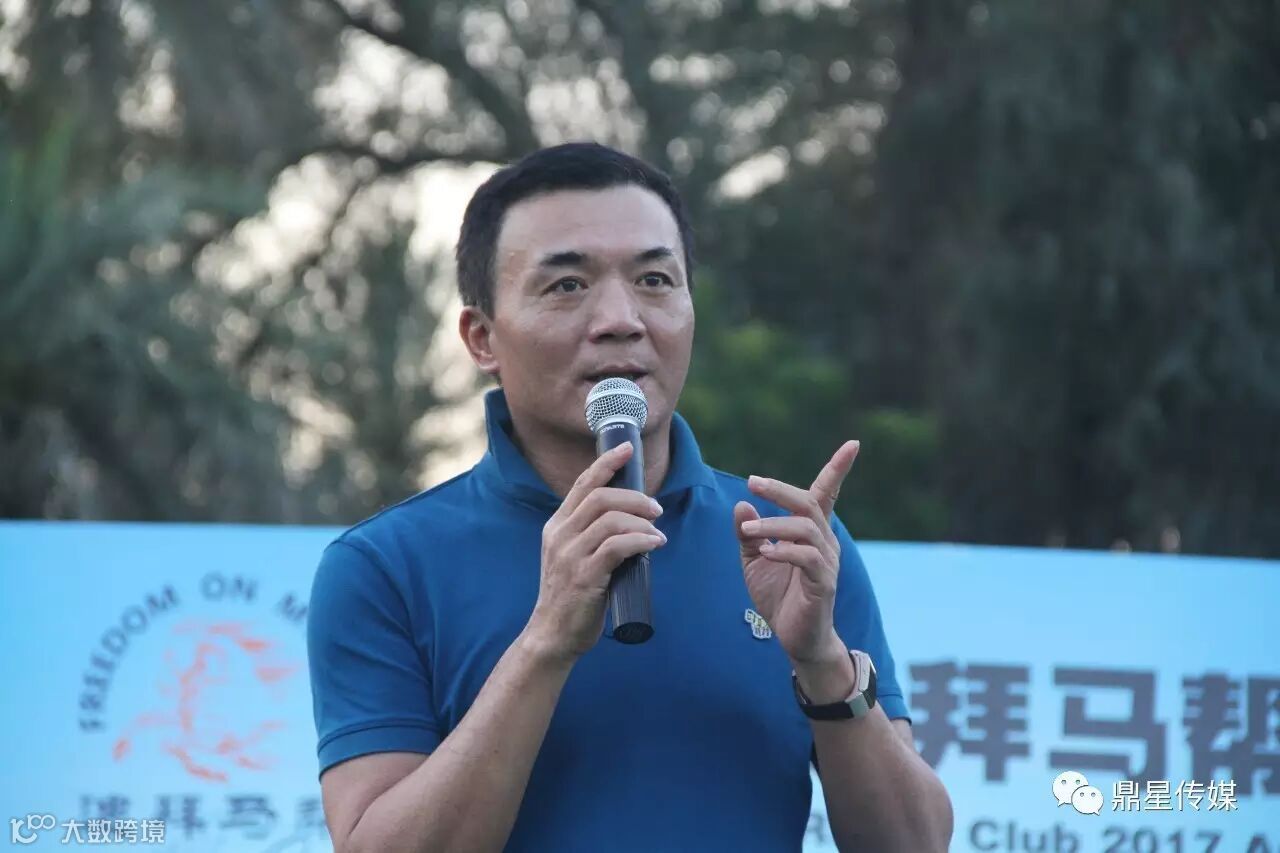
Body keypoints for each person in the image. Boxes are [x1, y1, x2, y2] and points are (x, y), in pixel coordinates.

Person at [307, 142, 953, 852]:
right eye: (567, 285)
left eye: (654, 280)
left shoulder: (787, 542)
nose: (621, 318)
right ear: (482, 337)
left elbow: (915, 846)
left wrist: (824, 661)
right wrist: (546, 642)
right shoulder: (384, 566)